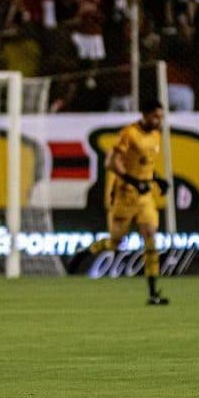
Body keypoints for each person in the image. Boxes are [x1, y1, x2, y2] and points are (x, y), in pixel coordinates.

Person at [70, 100, 171, 305]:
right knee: (115, 243)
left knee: (150, 239)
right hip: (125, 195)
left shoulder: (155, 135)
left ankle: (153, 293)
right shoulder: (129, 134)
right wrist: (134, 181)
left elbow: (146, 165)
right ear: (145, 114)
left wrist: (157, 179)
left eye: (161, 117)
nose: (159, 120)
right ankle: (84, 252)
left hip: (145, 196)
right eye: (155, 116)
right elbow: (111, 162)